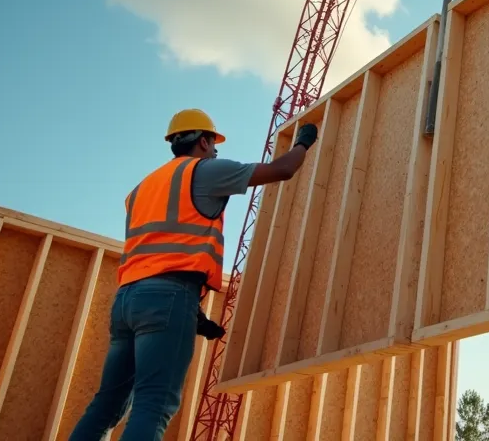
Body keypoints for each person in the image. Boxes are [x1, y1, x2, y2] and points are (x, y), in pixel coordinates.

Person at [68, 108, 318, 440]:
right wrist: (304, 142)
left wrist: (194, 314)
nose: (215, 151)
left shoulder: (141, 189)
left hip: (127, 301)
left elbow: (159, 249)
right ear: (202, 141)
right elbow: (282, 170)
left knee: (107, 405)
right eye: (214, 144)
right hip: (168, 297)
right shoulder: (204, 170)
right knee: (154, 404)